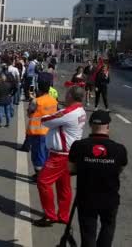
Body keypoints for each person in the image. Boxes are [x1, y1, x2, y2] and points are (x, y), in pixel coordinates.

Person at [69, 110, 127, 247]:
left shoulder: (79, 146)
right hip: (110, 198)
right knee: (108, 227)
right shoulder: (119, 149)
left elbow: (71, 169)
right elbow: (120, 169)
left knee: (88, 232)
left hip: (86, 197)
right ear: (108, 126)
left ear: (90, 125)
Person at [34, 86, 87, 227]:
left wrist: (57, 112)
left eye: (67, 94)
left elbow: (45, 120)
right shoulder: (80, 110)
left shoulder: (68, 112)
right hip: (70, 154)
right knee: (64, 187)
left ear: (70, 96)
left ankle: (49, 215)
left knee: (43, 182)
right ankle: (63, 216)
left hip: (59, 155)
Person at [26, 80, 59, 179]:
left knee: (37, 155)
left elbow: (29, 113)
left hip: (37, 132)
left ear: (39, 89)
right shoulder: (54, 101)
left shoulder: (36, 101)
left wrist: (32, 100)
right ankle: (43, 173)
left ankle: (40, 176)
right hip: (49, 130)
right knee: (45, 153)